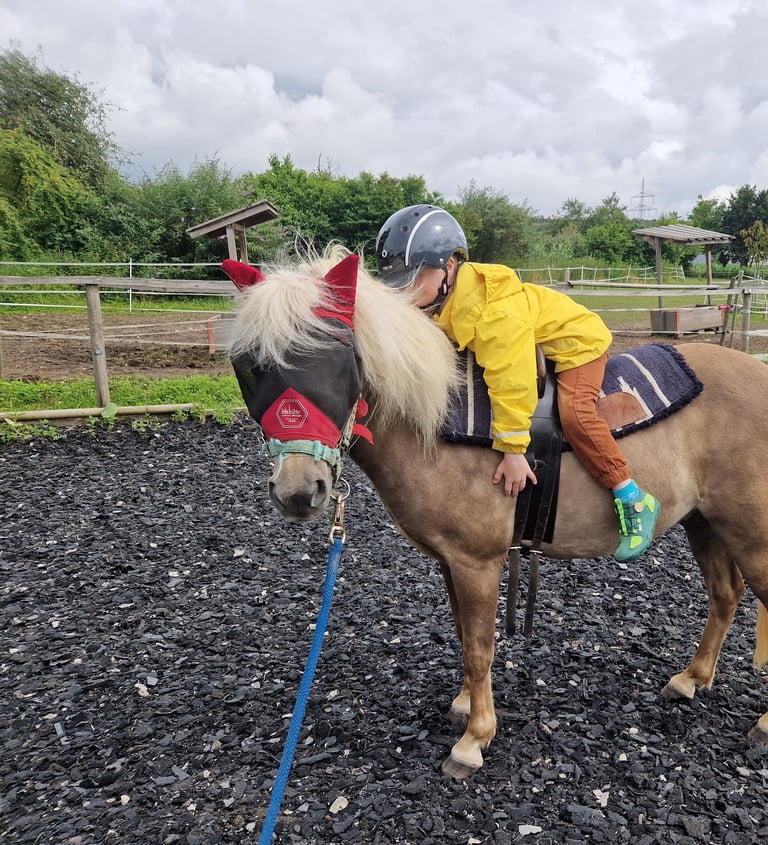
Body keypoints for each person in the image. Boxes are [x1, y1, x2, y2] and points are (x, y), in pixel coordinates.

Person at [375, 203, 660, 562]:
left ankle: (631, 496)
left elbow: (515, 380)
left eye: (414, 280)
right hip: (539, 336)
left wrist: (513, 451)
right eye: (398, 285)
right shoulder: (447, 300)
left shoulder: (494, 316)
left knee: (576, 415)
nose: (406, 293)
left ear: (448, 266)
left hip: (578, 345)